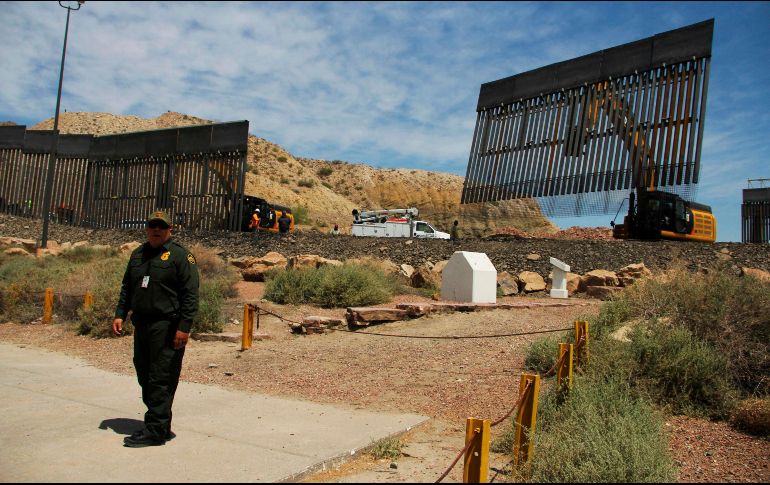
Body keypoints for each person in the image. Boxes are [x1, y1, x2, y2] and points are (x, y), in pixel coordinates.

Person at [113, 210, 200, 448]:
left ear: (170, 229)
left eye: (161, 226)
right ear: (146, 228)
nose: (156, 230)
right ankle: (160, 423)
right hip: (142, 324)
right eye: (153, 225)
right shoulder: (138, 254)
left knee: (161, 377)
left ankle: (155, 430)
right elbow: (127, 287)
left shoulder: (180, 256)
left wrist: (184, 327)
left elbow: (190, 295)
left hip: (167, 326)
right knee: (144, 374)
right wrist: (120, 313)